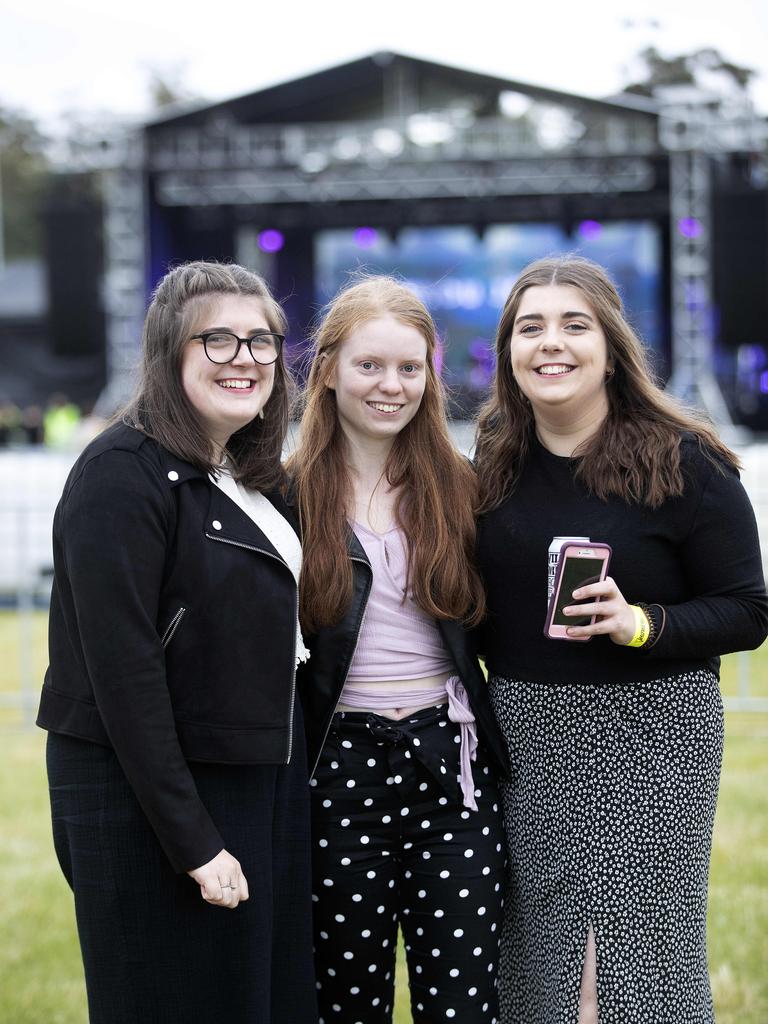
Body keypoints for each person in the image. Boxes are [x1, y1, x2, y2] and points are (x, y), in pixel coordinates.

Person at [473, 255, 768, 1024]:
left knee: (632, 958)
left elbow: (748, 610)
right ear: (508, 349)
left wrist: (640, 623)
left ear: (611, 345)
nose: (551, 343)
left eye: (575, 325)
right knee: (538, 952)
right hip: (527, 738)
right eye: (530, 326)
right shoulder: (493, 460)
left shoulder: (685, 460)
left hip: (653, 734)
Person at [37, 261, 317, 1024]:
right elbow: (124, 676)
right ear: (169, 351)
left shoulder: (253, 475)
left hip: (254, 777)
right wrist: (192, 839)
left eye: (261, 341)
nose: (246, 358)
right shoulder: (119, 475)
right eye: (218, 340)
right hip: (149, 795)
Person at [290, 276, 509, 1024]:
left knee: (463, 1004)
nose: (392, 386)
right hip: (336, 770)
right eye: (370, 366)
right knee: (346, 1003)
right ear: (326, 369)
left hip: (451, 766)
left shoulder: (464, 487)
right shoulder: (284, 498)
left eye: (410, 368)